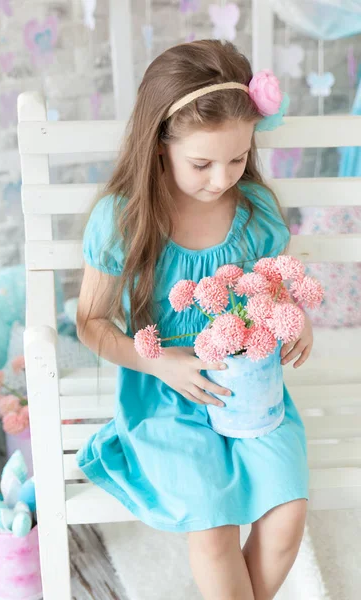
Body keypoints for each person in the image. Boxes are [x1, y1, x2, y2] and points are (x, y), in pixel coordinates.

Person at [76, 39, 312, 600]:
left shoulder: (253, 212)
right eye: (202, 163)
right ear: (160, 145)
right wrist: (158, 365)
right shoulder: (125, 219)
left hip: (251, 387)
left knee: (287, 515)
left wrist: (292, 315)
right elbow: (91, 322)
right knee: (213, 527)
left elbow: (274, 283)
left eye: (237, 158)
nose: (222, 177)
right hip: (165, 394)